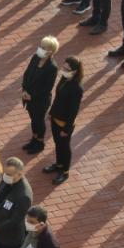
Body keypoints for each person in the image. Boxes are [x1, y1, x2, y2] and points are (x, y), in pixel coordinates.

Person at [44, 55, 83, 185]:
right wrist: (51, 113)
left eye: (67, 69)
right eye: (64, 67)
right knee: (58, 144)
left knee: (64, 147)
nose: (64, 70)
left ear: (75, 71)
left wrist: (66, 128)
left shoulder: (77, 88)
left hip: (65, 123)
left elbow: (73, 111)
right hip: (56, 118)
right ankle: (59, 164)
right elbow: (57, 98)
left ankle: (64, 171)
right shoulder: (64, 79)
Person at [20, 35, 59, 154]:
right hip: (29, 96)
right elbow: (27, 74)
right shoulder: (35, 58)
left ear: (50, 51)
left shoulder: (52, 67)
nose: (40, 49)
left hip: (40, 100)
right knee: (33, 119)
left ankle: (40, 142)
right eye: (40, 46)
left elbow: (47, 88)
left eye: (43, 47)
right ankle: (34, 139)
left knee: (39, 120)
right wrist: (25, 90)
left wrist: (32, 96)